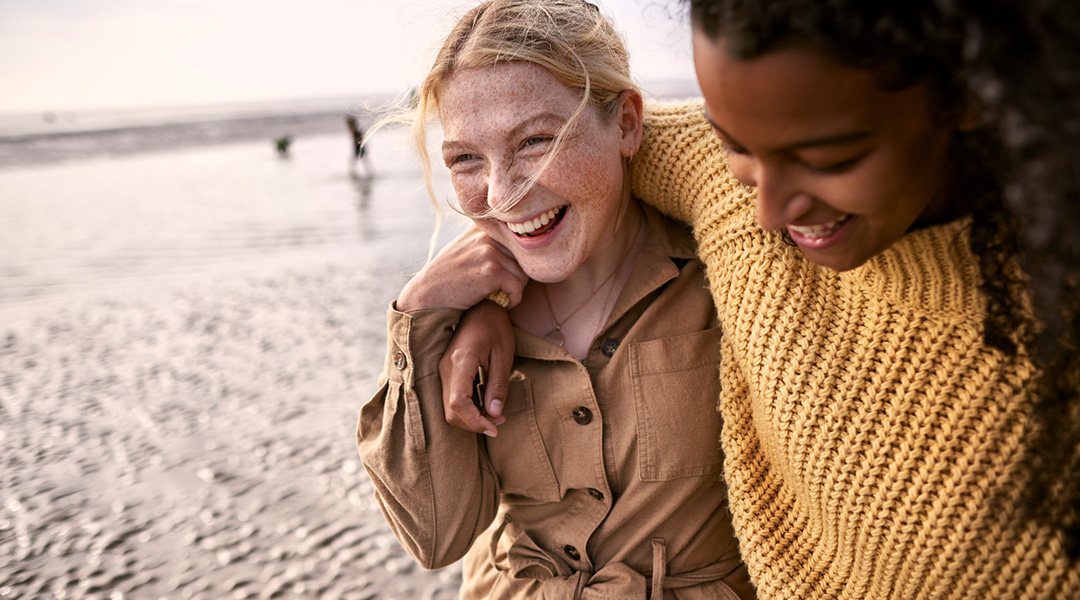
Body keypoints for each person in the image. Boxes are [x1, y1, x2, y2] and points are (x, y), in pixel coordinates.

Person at [439, 0, 1080, 598]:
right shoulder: (722, 183)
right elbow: (560, 159)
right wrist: (490, 299)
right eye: (736, 146)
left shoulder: (1048, 326)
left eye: (829, 159)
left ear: (966, 95)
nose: (768, 212)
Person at [356, 1, 754, 598]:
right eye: (466, 158)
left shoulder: (727, 270)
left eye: (536, 140)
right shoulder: (453, 318)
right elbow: (437, 536)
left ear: (625, 124)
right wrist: (419, 312)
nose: (499, 193)